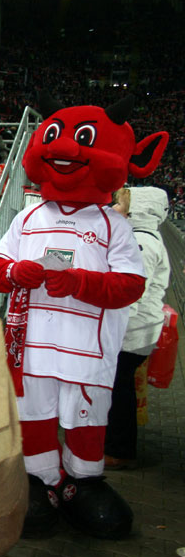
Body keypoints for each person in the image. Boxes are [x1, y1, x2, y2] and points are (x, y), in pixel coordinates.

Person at [0, 95, 168, 539]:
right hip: (30, 349)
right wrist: (17, 273)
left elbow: (130, 286)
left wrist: (80, 283)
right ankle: (41, 479)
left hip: (86, 351)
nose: (65, 151)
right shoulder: (27, 217)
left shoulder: (113, 224)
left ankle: (83, 481)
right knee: (34, 415)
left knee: (86, 419)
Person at [105, 187, 171, 469]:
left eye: (119, 204)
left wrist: (111, 327)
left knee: (119, 389)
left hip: (132, 333)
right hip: (136, 330)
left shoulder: (141, 243)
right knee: (121, 387)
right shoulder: (143, 238)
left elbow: (131, 294)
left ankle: (119, 450)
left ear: (137, 211)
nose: (114, 208)